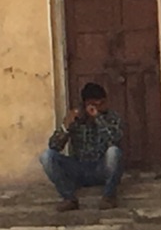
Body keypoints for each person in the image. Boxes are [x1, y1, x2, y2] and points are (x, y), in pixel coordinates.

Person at [40, 82, 124, 212]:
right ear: (86, 104)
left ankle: (109, 196)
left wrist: (98, 118)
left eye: (102, 103)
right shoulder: (76, 118)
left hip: (101, 167)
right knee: (46, 156)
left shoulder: (112, 118)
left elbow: (114, 139)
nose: (100, 107)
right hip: (78, 167)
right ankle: (69, 198)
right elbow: (54, 146)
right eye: (95, 105)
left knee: (114, 152)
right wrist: (65, 127)